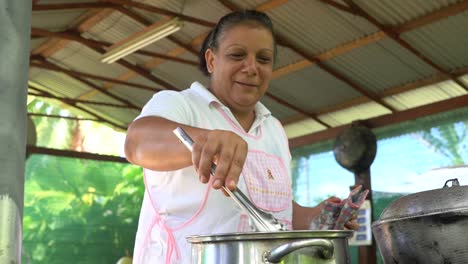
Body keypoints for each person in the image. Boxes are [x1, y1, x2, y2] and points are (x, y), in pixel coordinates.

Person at [125, 10, 358, 264]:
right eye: (237, 55)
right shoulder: (180, 105)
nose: (251, 68)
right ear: (212, 60)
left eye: (264, 59)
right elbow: (136, 144)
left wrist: (316, 218)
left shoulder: (273, 129)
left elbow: (276, 214)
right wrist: (206, 139)